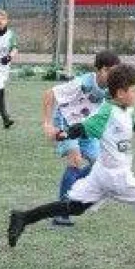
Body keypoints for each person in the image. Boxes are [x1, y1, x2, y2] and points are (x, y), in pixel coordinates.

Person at [8, 65, 135, 260]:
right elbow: (83, 127)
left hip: (101, 173)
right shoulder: (107, 113)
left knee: (76, 207)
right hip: (115, 177)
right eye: (134, 90)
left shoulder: (123, 109)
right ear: (120, 93)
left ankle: (23, 217)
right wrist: (61, 134)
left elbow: (132, 124)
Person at [41, 51, 121, 227]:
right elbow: (49, 94)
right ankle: (61, 213)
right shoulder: (82, 83)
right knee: (75, 160)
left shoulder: (113, 88)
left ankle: (72, 187)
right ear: (98, 70)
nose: (111, 75)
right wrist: (47, 124)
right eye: (107, 71)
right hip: (66, 122)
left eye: (114, 72)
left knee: (100, 165)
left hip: (86, 125)